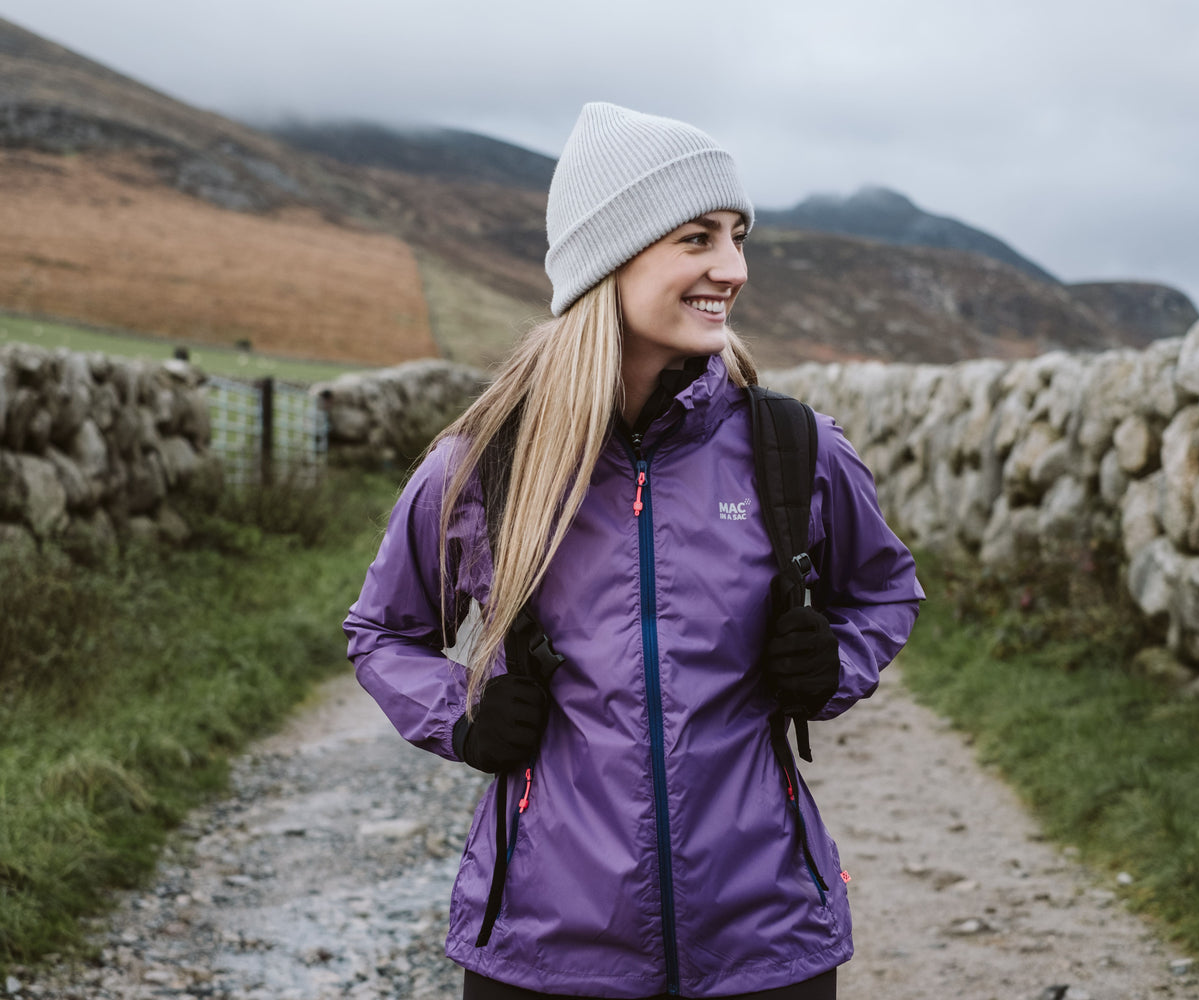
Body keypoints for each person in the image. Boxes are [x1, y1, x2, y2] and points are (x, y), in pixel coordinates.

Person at [344, 102, 924, 1000]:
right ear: (610, 257)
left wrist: (835, 663)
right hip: (543, 947)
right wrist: (461, 712)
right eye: (698, 238)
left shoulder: (792, 449)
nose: (731, 269)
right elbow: (383, 631)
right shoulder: (485, 467)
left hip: (766, 943)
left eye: (738, 236)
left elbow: (885, 592)